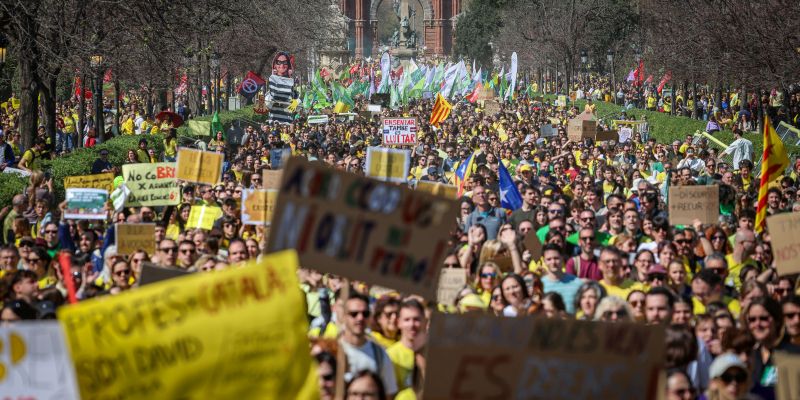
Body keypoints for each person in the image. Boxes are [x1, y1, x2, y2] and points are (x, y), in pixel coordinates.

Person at [338, 291, 398, 397]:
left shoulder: (380, 354)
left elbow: (389, 394)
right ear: (343, 316)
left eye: (365, 314)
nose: (360, 318)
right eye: (354, 314)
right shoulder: (333, 350)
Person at [387, 299, 426, 392]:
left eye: (416, 319)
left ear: (424, 321)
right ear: (398, 322)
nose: (412, 324)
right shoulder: (390, 355)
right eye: (407, 320)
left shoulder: (434, 353)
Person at [540, 244, 583, 315]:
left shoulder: (577, 283)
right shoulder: (540, 284)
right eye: (549, 259)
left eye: (556, 258)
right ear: (544, 261)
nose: (553, 262)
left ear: (562, 258)